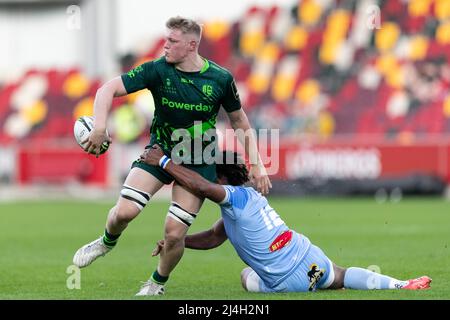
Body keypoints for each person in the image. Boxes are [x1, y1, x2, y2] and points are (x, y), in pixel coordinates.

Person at [72, 16, 271, 296]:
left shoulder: (220, 78)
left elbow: (240, 121)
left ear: (191, 45)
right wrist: (100, 126)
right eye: (166, 39)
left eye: (172, 41)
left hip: (198, 161)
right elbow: (108, 89)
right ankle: (106, 241)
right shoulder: (158, 70)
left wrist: (258, 165)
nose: (165, 45)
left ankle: (156, 283)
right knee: (125, 212)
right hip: (159, 153)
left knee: (174, 233)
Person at [141, 145, 432, 293]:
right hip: (308, 254)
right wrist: (176, 241)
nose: (205, 177)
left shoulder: (232, 195)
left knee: (246, 277)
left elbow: (202, 187)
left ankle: (309, 283)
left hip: (285, 280)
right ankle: (400, 284)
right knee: (340, 274)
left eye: (210, 172)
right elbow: (215, 237)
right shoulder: (251, 199)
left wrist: (164, 162)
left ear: (221, 176)